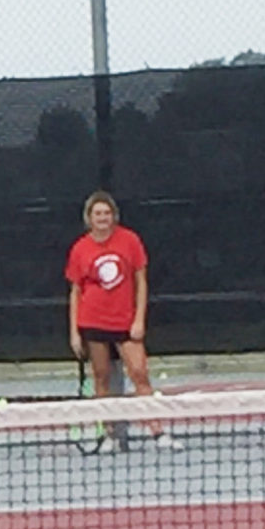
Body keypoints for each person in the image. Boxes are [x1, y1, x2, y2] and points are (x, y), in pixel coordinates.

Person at [64, 191, 173, 449]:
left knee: (139, 374)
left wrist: (138, 320)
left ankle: (158, 432)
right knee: (101, 378)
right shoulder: (80, 249)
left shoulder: (130, 241)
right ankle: (108, 435)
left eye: (106, 213)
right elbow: (76, 292)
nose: (102, 218)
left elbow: (141, 281)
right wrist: (74, 332)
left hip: (125, 323)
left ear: (113, 216)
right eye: (97, 214)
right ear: (89, 218)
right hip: (93, 322)